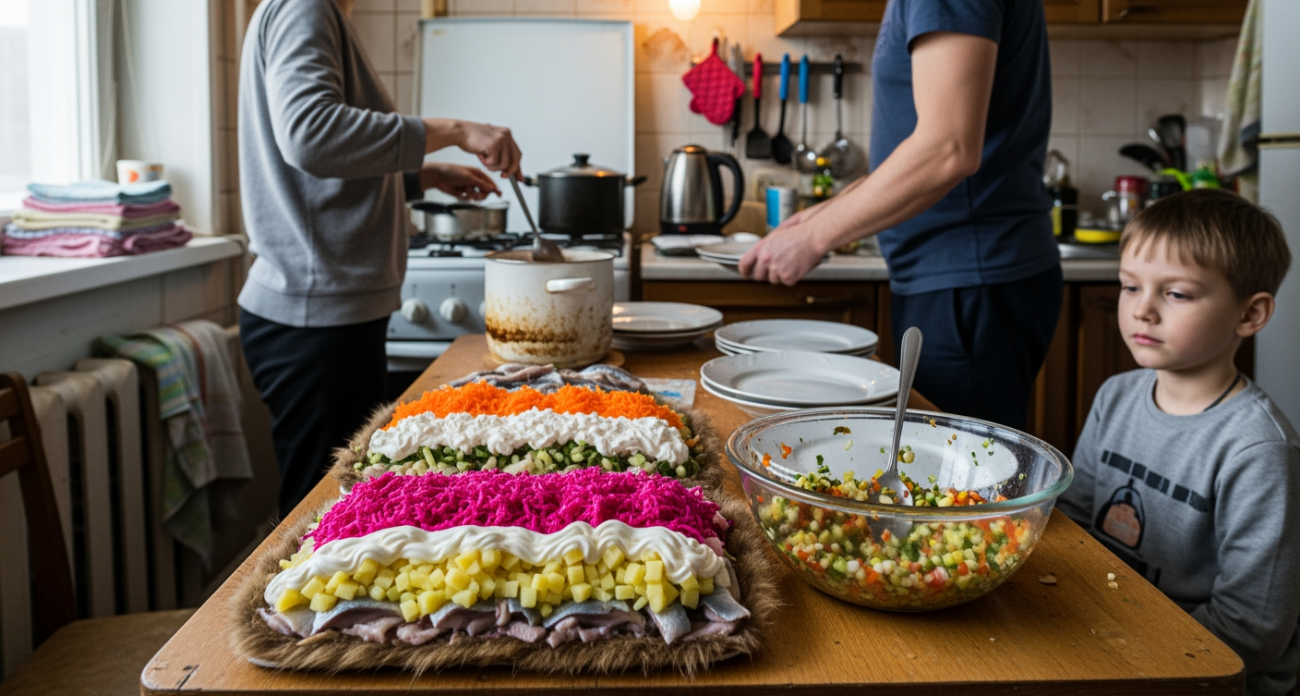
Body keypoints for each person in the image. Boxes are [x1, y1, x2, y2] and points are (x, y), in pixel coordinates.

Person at [237, 0, 523, 516]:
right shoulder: (306, 7)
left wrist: (423, 175)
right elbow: (310, 134)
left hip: (325, 309)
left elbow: (324, 166)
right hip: (314, 319)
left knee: (341, 503)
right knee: (322, 514)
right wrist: (459, 130)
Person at [739, 0, 1060, 430]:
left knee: (960, 482)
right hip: (964, 281)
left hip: (967, 283)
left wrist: (815, 237)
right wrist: (817, 220)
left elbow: (946, 148)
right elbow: (921, 149)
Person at [1057, 190, 1299, 696]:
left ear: (1250, 314)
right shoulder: (1116, 396)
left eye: (1177, 294)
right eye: (1129, 286)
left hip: (1205, 673)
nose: (1141, 311)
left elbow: (1250, 632)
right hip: (1108, 636)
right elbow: (1076, 528)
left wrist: (1116, 646)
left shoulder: (1258, 450)